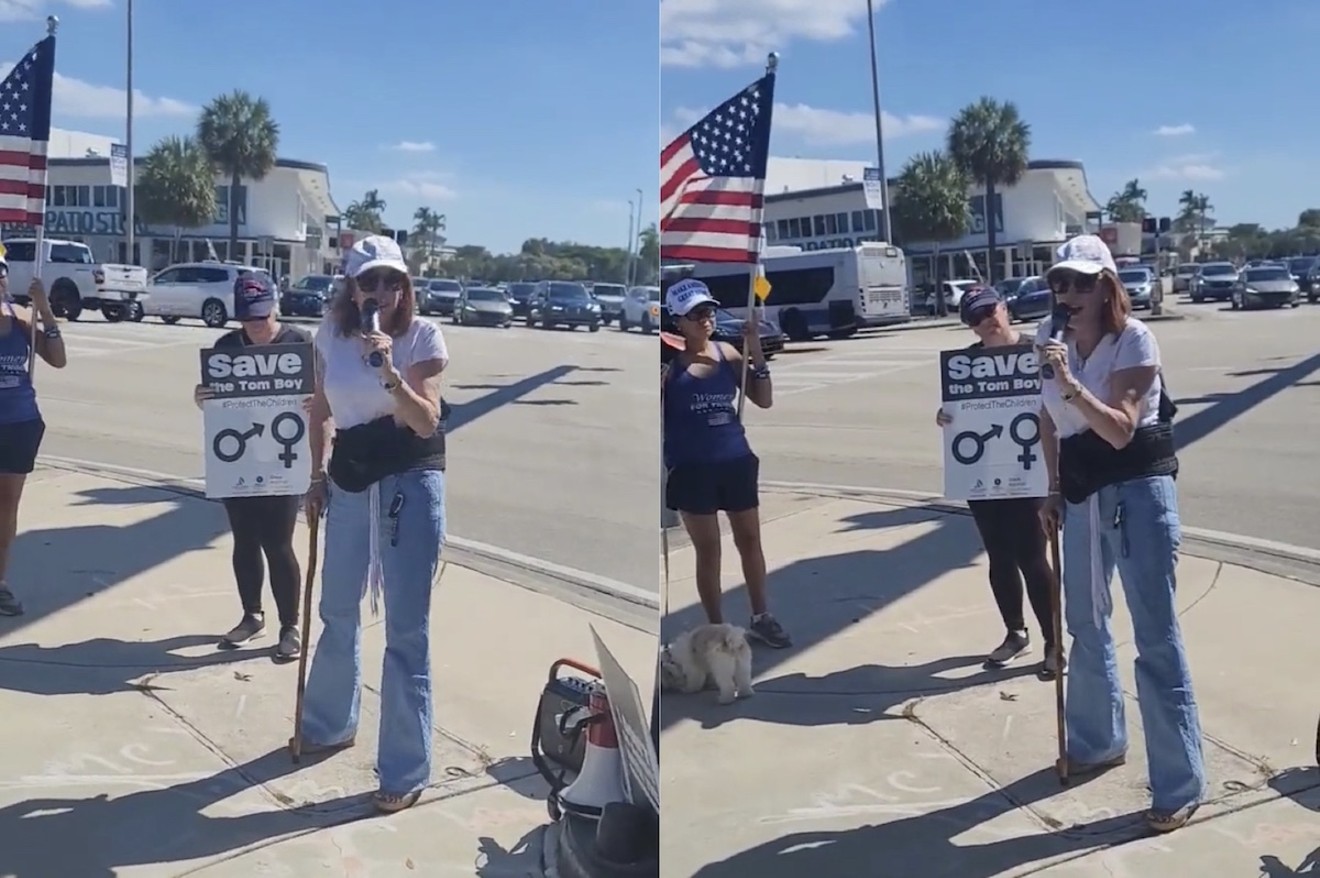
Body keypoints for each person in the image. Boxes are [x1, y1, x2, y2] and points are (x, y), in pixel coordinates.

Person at [1036, 234, 1204, 833]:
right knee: (1084, 620)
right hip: (1081, 495)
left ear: (1108, 286)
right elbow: (1047, 422)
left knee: (1154, 634)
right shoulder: (1052, 343)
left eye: (1083, 282)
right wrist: (1052, 489)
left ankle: (1180, 781)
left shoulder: (1134, 340)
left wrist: (1069, 381)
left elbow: (1120, 430)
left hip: (1136, 490)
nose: (1070, 293)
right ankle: (1097, 738)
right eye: (1061, 282)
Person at [297, 235, 449, 814]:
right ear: (350, 286)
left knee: (405, 631)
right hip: (349, 478)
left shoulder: (423, 336)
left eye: (392, 281)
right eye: (369, 282)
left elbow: (425, 419)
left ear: (406, 286)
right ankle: (331, 721)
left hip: (409, 478)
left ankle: (405, 765)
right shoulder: (329, 336)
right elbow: (321, 410)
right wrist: (315, 480)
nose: (381, 292)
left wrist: (389, 370)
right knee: (337, 608)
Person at [935, 287, 1060, 676]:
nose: (986, 321)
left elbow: (1059, 400)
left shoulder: (1034, 351)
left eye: (991, 310)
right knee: (999, 557)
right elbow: (957, 412)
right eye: (975, 317)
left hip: (1030, 472)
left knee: (1033, 557)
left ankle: (1054, 642)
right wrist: (946, 416)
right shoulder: (965, 364)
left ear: (1005, 309)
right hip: (982, 475)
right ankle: (1015, 632)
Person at [661, 278, 789, 648]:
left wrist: (756, 353)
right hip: (692, 469)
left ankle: (761, 617)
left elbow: (762, 400)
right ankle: (718, 630)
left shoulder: (727, 356)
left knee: (750, 539)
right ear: (678, 322)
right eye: (695, 314)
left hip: (735, 461)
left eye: (708, 311)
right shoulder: (670, 368)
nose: (705, 320)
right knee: (709, 550)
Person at [193, 274, 310, 659]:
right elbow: (213, 405)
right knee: (244, 541)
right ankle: (251, 615)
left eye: (261, 316)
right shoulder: (226, 348)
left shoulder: (299, 344)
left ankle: (290, 625)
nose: (255, 326)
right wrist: (202, 397)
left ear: (275, 306)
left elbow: (325, 399)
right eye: (247, 318)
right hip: (237, 460)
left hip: (284, 460)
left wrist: (317, 404)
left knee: (278, 544)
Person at [0, 258, 65, 617]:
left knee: (6, 508)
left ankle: (0, 583)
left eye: (1, 274)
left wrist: (45, 310)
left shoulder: (21, 317)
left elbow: (57, 359)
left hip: (19, 422)